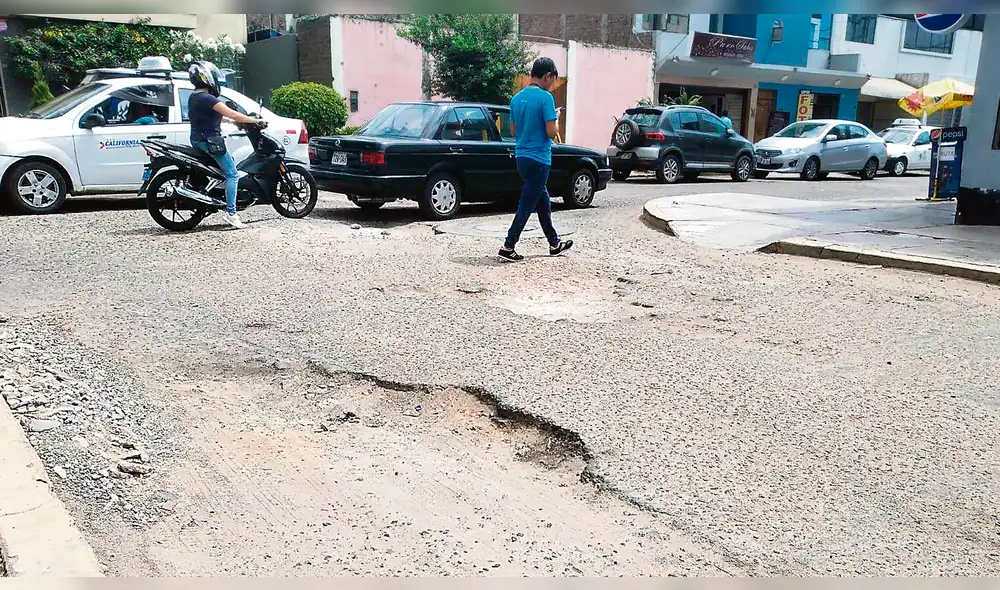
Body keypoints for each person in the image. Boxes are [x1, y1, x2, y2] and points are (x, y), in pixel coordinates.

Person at [498, 57, 573, 262]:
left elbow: (513, 130)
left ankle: (554, 242)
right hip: (539, 158)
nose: (552, 84)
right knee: (527, 203)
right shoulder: (546, 98)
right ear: (548, 75)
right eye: (553, 79)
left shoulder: (516, 98)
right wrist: (556, 119)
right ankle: (508, 245)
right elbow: (551, 132)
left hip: (521, 157)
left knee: (542, 199)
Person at [187, 61, 264, 229]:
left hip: (198, 140)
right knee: (233, 174)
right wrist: (254, 121)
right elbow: (231, 113)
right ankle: (231, 213)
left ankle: (222, 194)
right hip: (210, 142)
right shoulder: (208, 98)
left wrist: (232, 122)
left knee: (226, 168)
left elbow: (210, 117)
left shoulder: (194, 97)